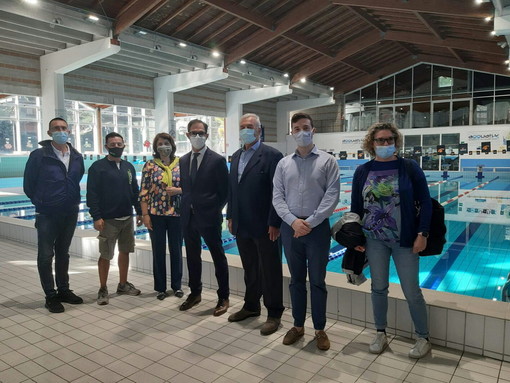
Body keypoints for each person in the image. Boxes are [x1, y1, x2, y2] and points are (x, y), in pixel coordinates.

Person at [350, 122, 432, 359]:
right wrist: (356, 235)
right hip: (374, 240)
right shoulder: (362, 171)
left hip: (404, 240)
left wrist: (422, 233)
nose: (385, 144)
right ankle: (380, 333)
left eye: (389, 139)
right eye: (380, 140)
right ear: (371, 143)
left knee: (412, 291)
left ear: (395, 141)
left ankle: (423, 337)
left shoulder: (409, 168)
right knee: (378, 288)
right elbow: (356, 207)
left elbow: (426, 202)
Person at [273, 112, 339, 350]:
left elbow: (332, 197)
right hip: (291, 229)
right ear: (291, 132)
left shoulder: (328, 161)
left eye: (306, 127)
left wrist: (309, 222)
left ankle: (320, 329)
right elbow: (277, 197)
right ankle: (298, 326)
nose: (301, 132)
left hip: (317, 229)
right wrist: (293, 222)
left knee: (318, 281)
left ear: (313, 130)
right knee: (296, 280)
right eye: (297, 128)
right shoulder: (283, 164)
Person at [226, 113, 284, 335]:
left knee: (270, 269)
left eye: (250, 126)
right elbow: (233, 190)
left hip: (264, 224)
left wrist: (274, 222)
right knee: (250, 268)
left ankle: (274, 312)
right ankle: (251, 306)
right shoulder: (235, 156)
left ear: (259, 130)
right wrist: (231, 216)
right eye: (242, 126)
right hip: (241, 223)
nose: (246, 130)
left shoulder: (272, 155)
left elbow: (277, 192)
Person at [23, 117, 84, 313]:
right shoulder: (39, 155)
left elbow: (76, 179)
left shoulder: (76, 156)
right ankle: (50, 295)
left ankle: (64, 290)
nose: (61, 131)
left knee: (63, 253)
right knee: (46, 255)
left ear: (69, 131)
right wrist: (41, 202)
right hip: (47, 212)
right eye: (56, 128)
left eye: (64, 128)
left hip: (70, 211)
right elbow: (29, 185)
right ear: (49, 133)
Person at [179, 119, 230, 316]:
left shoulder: (217, 160)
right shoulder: (183, 160)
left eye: (201, 133)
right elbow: (186, 189)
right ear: (187, 135)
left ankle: (223, 296)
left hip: (209, 217)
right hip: (188, 218)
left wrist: (214, 210)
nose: (197, 136)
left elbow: (225, 192)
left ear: (207, 136)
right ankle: (195, 293)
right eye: (194, 133)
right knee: (192, 257)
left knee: (218, 257)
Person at [86, 132, 142, 305]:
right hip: (108, 219)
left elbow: (134, 191)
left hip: (127, 218)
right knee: (106, 255)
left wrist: (139, 211)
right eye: (112, 144)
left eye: (119, 144)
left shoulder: (128, 167)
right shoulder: (97, 167)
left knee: (125, 251)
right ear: (106, 146)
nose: (116, 147)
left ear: (124, 145)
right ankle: (103, 288)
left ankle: (123, 284)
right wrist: (96, 217)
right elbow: (92, 194)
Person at [139, 133, 184, 301]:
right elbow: (144, 192)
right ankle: (160, 288)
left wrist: (179, 190)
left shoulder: (181, 163)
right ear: (155, 147)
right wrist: (145, 215)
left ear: (172, 145)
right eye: (160, 143)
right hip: (156, 214)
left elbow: (189, 187)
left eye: (166, 143)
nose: (163, 146)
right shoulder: (150, 165)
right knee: (158, 251)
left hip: (176, 214)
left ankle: (177, 286)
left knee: (176, 251)